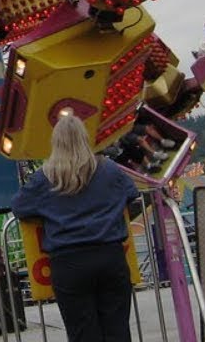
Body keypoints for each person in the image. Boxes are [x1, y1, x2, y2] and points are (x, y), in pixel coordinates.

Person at [11, 115, 138, 342]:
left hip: (68, 262)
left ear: (55, 142)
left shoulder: (44, 178)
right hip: (110, 256)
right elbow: (132, 194)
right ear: (85, 138)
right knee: (118, 329)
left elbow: (19, 207)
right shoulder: (109, 169)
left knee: (81, 332)